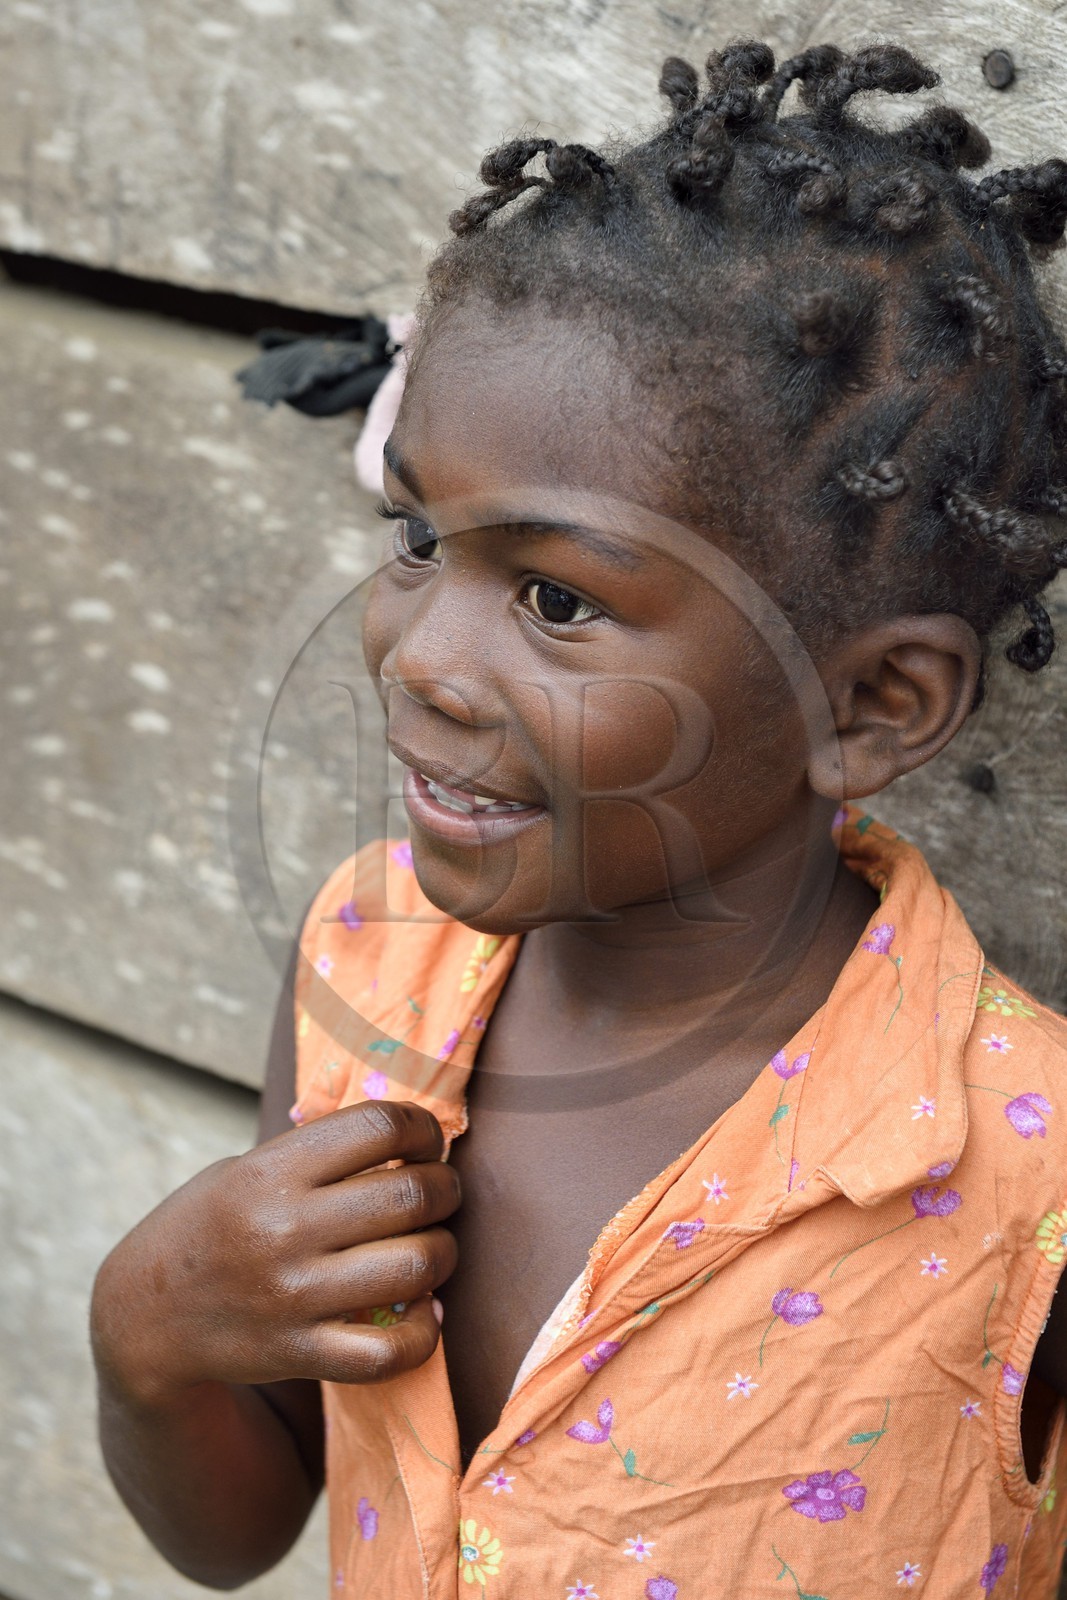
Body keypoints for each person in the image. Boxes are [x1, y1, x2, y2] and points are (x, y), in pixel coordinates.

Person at [90, 39, 1067, 1599]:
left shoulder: (1031, 1179)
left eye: (555, 600)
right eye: (418, 535)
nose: (420, 656)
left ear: (872, 705)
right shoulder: (367, 965)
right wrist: (146, 1341)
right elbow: (236, 1527)